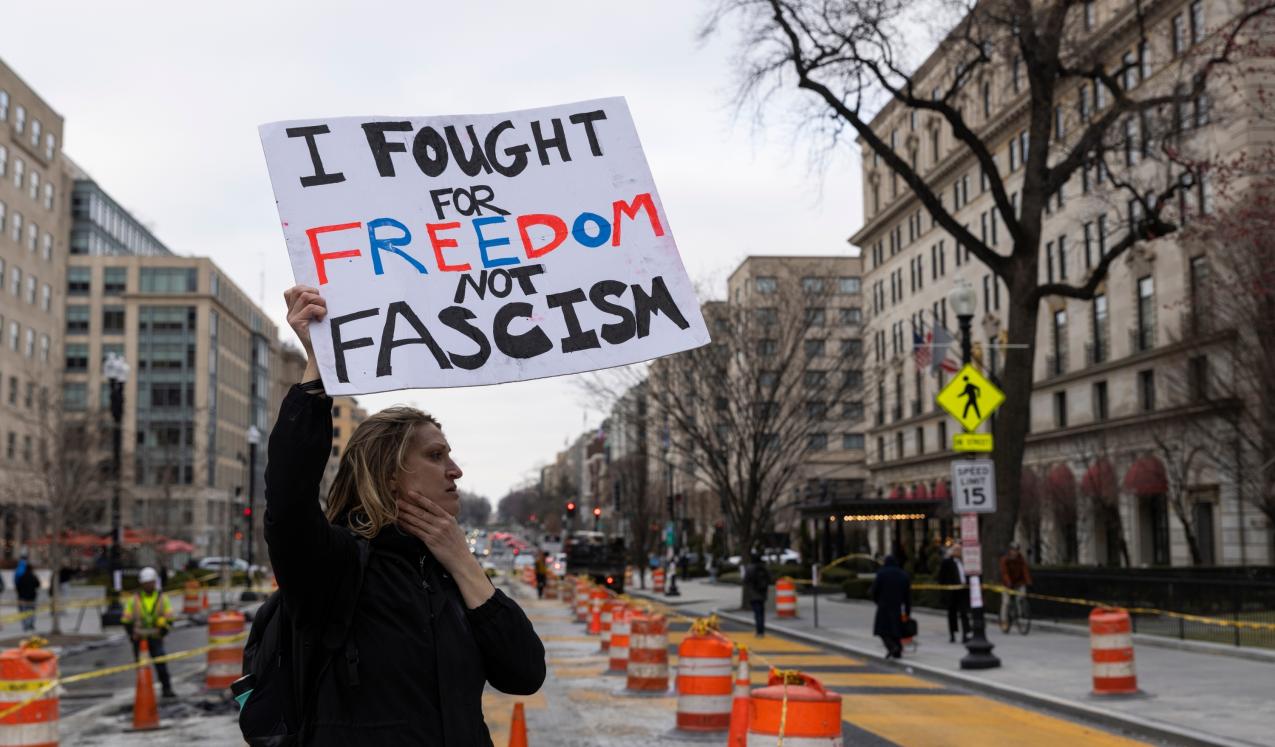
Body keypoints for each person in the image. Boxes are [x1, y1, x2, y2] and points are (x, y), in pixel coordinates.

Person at [268, 285, 545, 746]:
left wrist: (463, 562)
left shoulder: (447, 570)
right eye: (436, 456)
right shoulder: (335, 565)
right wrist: (318, 368)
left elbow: (524, 673)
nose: (455, 471)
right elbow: (288, 497)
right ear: (390, 473)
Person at [121, 567, 176, 698]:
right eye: (146, 583)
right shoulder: (134, 600)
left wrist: (163, 630)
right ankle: (144, 692)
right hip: (139, 638)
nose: (149, 585)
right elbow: (125, 619)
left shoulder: (162, 598)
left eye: (150, 582)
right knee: (141, 668)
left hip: (156, 637)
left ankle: (166, 689)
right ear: (142, 583)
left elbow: (170, 618)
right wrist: (131, 634)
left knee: (161, 665)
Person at [870, 555, 912, 659]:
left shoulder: (881, 573)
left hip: (884, 605)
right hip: (897, 606)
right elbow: (908, 596)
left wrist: (877, 601)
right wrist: (907, 612)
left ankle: (892, 647)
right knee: (896, 630)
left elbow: (874, 590)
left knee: (882, 630)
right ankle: (897, 651)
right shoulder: (903, 575)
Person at [937, 545, 970, 643]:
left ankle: (965, 634)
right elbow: (941, 577)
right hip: (952, 592)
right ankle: (952, 634)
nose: (959, 552)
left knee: (964, 613)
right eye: (956, 550)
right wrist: (945, 591)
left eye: (960, 550)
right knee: (952, 614)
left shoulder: (964, 562)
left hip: (963, 591)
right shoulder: (947, 562)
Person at [999, 542, 1033, 624]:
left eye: (1016, 550)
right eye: (1013, 550)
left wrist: (1028, 581)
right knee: (1006, 602)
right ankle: (1004, 620)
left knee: (1021, 596)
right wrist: (1008, 582)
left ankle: (1019, 613)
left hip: (1018, 582)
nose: (1015, 552)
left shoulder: (1021, 559)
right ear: (1010, 551)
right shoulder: (1005, 560)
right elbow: (1004, 573)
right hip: (1007, 584)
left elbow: (1025, 571)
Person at [743, 554, 771, 637]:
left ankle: (758, 631)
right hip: (762, 593)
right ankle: (761, 631)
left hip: (753, 593)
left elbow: (745, 580)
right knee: (761, 612)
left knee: (757, 613)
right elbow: (770, 579)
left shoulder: (749, 568)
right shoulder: (763, 568)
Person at [15, 554, 39, 633]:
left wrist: (19, 594)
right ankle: (31, 624)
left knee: (24, 611)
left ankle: (25, 625)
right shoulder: (33, 576)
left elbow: (18, 585)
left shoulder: (20, 574)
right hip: (32, 596)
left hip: (23, 597)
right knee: (32, 611)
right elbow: (38, 584)